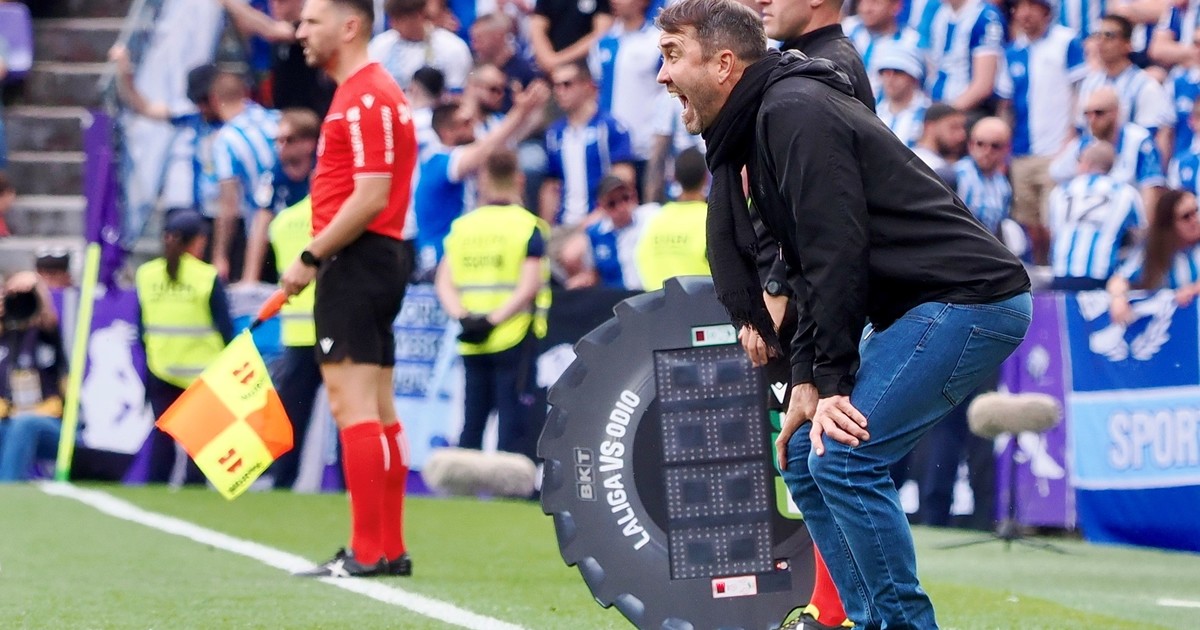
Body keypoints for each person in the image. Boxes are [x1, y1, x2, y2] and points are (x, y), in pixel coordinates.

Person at [654, 3, 1032, 629]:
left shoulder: (793, 109)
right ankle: (867, 620)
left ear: (723, 65)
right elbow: (806, 265)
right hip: (922, 304)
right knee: (805, 455)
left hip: (969, 299)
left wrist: (828, 381)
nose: (662, 76)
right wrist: (807, 383)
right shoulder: (766, 116)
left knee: (844, 456)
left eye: (672, 55)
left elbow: (836, 252)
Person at [287, 0, 418, 578]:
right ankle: (387, 548)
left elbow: (369, 195)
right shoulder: (373, 91)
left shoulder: (364, 95)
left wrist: (310, 256)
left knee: (352, 406)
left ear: (349, 26)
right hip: (379, 258)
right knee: (380, 407)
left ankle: (366, 552)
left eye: (311, 21)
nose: (300, 32)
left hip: (356, 260)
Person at [435, 148, 551, 457]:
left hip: (472, 337)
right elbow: (529, 285)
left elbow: (444, 282)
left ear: (483, 180)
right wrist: (493, 320)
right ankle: (507, 486)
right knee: (511, 426)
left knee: (471, 423)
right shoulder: (528, 226)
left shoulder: (463, 227)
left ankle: (465, 485)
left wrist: (465, 317)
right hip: (514, 336)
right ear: (519, 180)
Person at [135, 210, 235, 485]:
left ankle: (155, 489)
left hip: (161, 367)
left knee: (162, 437)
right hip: (201, 372)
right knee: (200, 441)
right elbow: (225, 327)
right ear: (199, 241)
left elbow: (141, 325)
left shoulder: (146, 274)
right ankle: (194, 492)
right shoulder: (207, 276)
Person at [209, 70, 281, 282]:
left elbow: (229, 204)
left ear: (215, 100)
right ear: (245, 93)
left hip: (260, 235)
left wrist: (220, 255)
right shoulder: (277, 119)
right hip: (295, 225)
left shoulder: (226, 139)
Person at [1048, 141, 1147, 290]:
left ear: (1086, 163)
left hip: (1061, 272)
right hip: (1102, 277)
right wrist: (1124, 275)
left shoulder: (1061, 191)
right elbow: (1141, 238)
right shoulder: (1126, 193)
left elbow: (1054, 234)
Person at [0, 272, 67, 482]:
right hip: (11, 423)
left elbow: (47, 317)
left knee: (25, 423)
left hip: (53, 427)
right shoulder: (5, 340)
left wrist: (36, 284)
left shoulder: (43, 335)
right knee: (14, 426)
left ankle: (7, 491)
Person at [215, 0, 336, 116]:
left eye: (282, 1)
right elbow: (250, 26)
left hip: (307, 113)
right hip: (283, 110)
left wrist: (229, 3)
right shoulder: (277, 33)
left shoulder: (302, 29)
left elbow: (273, 30)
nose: (275, 5)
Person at [1109, 188, 1200, 321]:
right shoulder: (1153, 251)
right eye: (1186, 217)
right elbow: (1120, 279)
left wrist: (1193, 290)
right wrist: (1118, 299)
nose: (1195, 219)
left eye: (1196, 211)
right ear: (1170, 224)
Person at [636, 146, 710, 290]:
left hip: (658, 300)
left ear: (674, 177)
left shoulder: (656, 219)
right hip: (702, 301)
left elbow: (641, 258)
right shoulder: (711, 218)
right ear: (706, 177)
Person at [563, 174, 653, 289]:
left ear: (633, 196)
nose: (621, 208)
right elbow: (594, 272)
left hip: (648, 292)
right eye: (612, 204)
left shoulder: (650, 218)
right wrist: (583, 280)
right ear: (601, 207)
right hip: (616, 296)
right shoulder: (596, 234)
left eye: (625, 198)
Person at [369, 0, 473, 91]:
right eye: (392, 19)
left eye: (399, 19)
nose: (393, 25)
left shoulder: (452, 47)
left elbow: (455, 92)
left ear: (419, 16)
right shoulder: (380, 44)